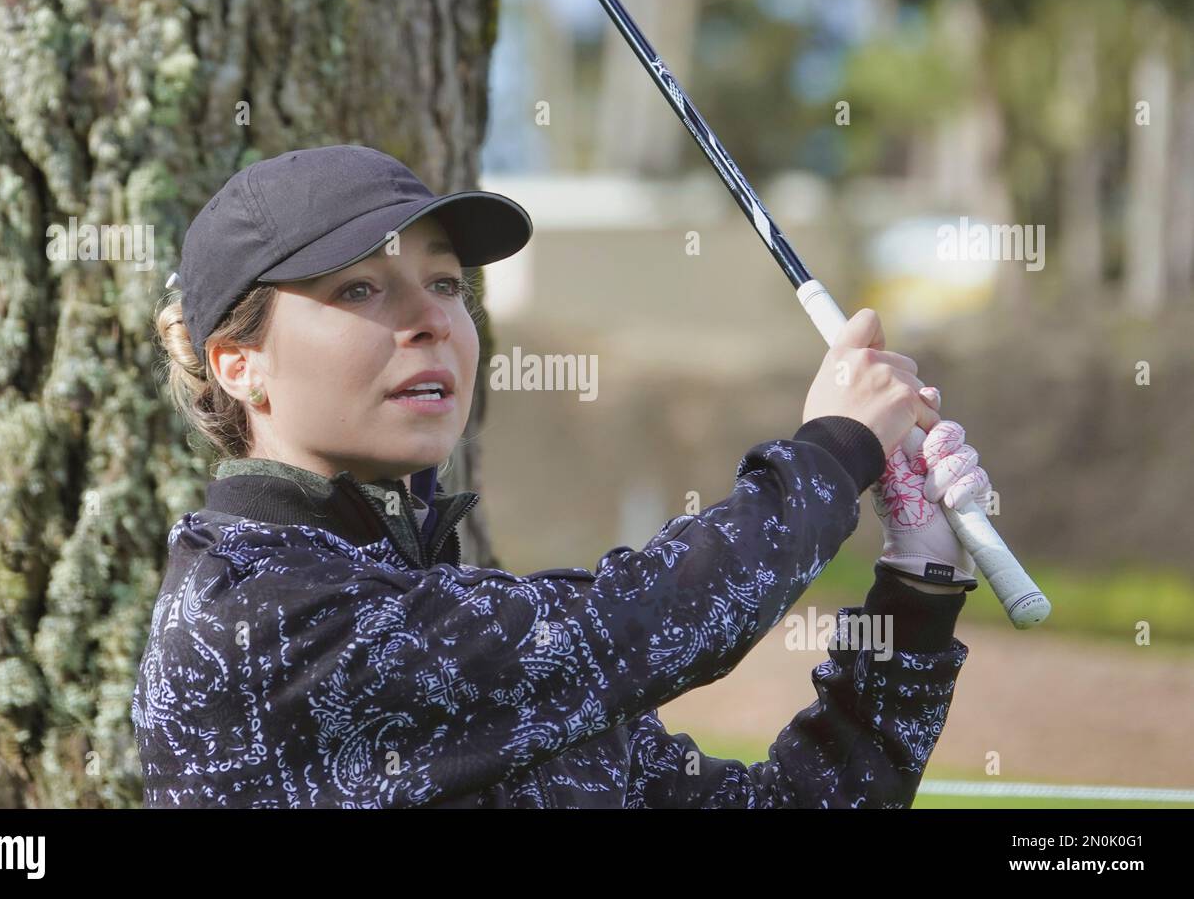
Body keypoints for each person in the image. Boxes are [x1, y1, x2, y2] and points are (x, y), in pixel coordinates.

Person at [132, 144, 990, 808]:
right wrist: (833, 451)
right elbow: (643, 623)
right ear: (239, 365)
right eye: (360, 290)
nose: (433, 318)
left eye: (445, 283)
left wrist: (918, 578)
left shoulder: (447, 614)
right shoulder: (257, 617)